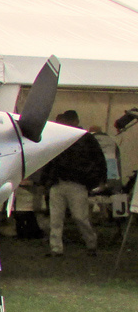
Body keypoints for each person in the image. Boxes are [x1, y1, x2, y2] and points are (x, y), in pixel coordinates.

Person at [42, 110, 107, 256]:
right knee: (66, 217)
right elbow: (99, 160)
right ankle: (62, 247)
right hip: (71, 182)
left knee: (70, 217)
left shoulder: (61, 137)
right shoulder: (86, 139)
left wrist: (46, 180)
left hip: (64, 181)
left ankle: (67, 246)